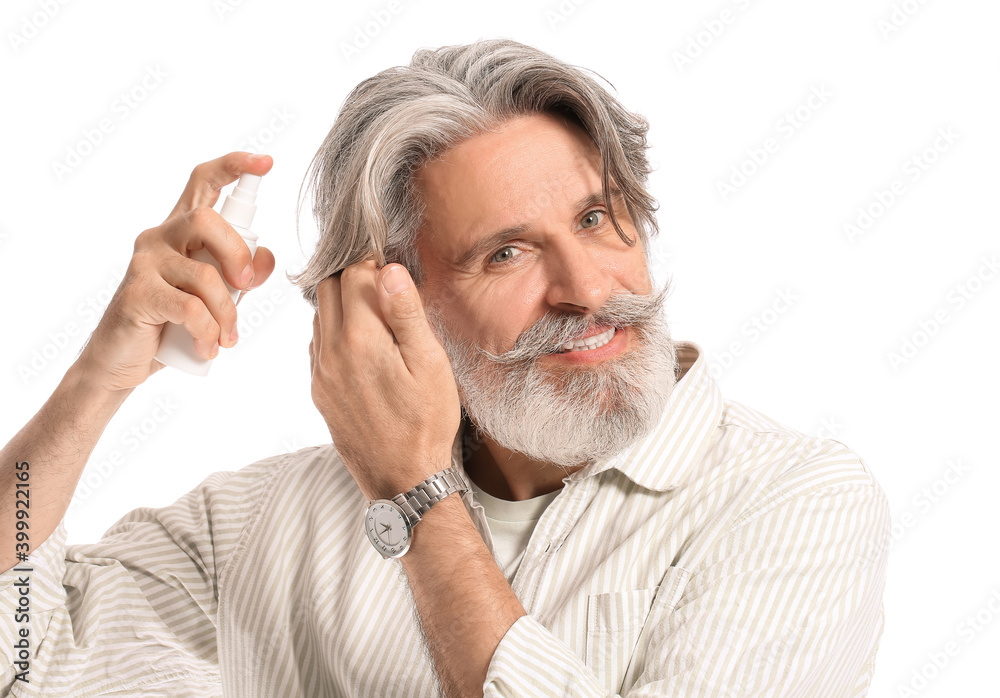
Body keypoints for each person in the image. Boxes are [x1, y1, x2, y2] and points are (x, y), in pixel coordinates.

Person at [0, 39, 890, 697]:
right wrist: (98, 381)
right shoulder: (261, 524)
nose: (587, 288)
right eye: (507, 254)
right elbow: (21, 648)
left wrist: (416, 495)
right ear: (389, 305)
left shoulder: (797, 501)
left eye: (596, 220)